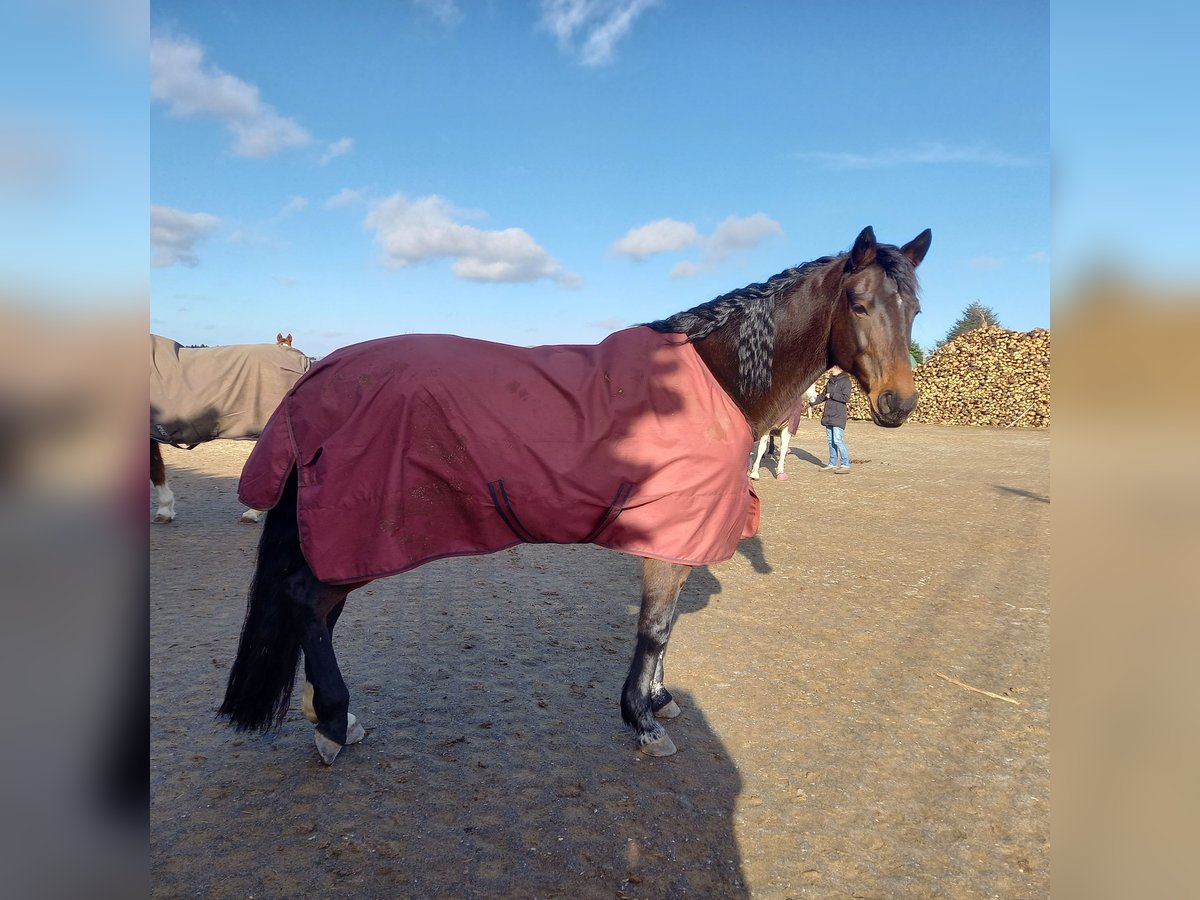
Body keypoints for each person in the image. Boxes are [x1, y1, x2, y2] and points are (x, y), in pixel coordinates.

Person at [817, 365, 852, 473]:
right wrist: (810, 404)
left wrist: (832, 394)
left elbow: (846, 398)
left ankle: (845, 464)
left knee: (837, 440)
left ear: (837, 367)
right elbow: (823, 396)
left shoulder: (846, 381)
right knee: (830, 441)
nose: (829, 368)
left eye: (831, 366)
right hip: (829, 414)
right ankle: (832, 464)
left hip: (838, 415)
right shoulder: (830, 381)